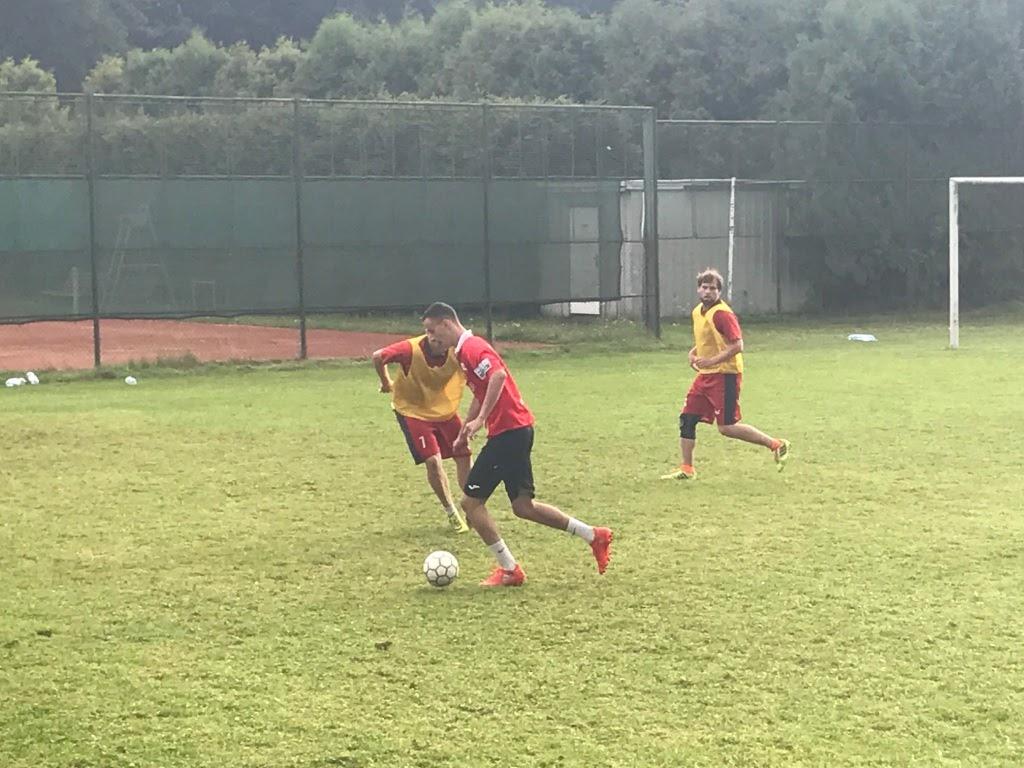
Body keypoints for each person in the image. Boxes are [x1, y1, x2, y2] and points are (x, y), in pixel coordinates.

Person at [421, 302, 612, 587]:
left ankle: (510, 569)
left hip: (509, 432)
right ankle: (594, 535)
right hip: (518, 430)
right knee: (523, 506)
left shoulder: (472, 347)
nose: (429, 337)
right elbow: (482, 391)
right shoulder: (462, 352)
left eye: (431, 330)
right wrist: (465, 428)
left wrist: (481, 420)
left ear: (446, 323)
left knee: (471, 503)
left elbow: (497, 375)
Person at [661, 267, 790, 480]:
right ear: (698, 289)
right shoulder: (698, 311)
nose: (708, 292)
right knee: (687, 418)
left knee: (727, 427)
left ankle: (776, 444)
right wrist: (694, 353)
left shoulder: (722, 313)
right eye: (704, 287)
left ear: (719, 291)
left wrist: (711, 360)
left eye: (713, 288)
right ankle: (687, 469)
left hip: (725, 375)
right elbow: (708, 339)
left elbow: (737, 345)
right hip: (706, 375)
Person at [372, 331, 471, 533]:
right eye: (431, 334)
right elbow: (378, 356)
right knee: (433, 462)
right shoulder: (410, 349)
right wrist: (386, 382)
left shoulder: (458, 349)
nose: (437, 340)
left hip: (444, 410)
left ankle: (472, 506)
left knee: (463, 454)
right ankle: (451, 511)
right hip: (413, 411)